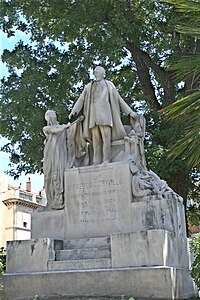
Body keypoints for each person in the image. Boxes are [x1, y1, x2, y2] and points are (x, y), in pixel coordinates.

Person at [69, 66, 137, 165]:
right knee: (95, 140)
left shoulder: (109, 85)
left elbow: (119, 100)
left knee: (106, 138)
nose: (95, 73)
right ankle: (96, 160)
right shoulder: (89, 86)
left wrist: (130, 112)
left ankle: (106, 159)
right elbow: (81, 99)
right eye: (95, 72)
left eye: (97, 71)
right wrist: (74, 111)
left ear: (102, 73)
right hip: (93, 116)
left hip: (106, 116)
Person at [43, 110, 70, 209]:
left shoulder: (63, 128)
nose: (52, 117)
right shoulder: (46, 128)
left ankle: (61, 197)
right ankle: (52, 199)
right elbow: (55, 130)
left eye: (53, 114)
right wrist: (65, 127)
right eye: (50, 115)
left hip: (61, 153)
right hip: (51, 154)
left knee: (60, 173)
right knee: (51, 174)